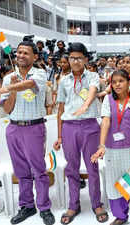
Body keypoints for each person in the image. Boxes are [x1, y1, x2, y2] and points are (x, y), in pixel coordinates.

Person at [0, 41, 55, 225]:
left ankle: (44, 207)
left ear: (35, 57)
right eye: (18, 52)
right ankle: (27, 205)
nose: (20, 55)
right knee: (21, 171)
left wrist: (8, 88)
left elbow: (29, 84)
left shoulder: (39, 73)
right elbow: (8, 108)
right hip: (13, 128)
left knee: (39, 170)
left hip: (34, 128)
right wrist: (11, 88)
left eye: (25, 53)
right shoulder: (9, 78)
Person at [53, 42, 108, 224]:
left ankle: (96, 203)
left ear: (85, 59)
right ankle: (73, 204)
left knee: (92, 167)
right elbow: (60, 109)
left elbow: (92, 92)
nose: (75, 61)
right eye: (72, 58)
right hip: (69, 127)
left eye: (79, 58)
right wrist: (60, 135)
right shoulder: (63, 81)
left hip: (90, 126)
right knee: (71, 168)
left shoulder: (93, 76)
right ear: (68, 59)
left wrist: (85, 106)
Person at [91, 69, 130, 225]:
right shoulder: (108, 100)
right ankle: (120, 216)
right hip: (113, 150)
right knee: (115, 183)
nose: (117, 84)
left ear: (128, 83)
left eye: (121, 81)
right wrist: (102, 145)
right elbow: (105, 122)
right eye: (114, 81)